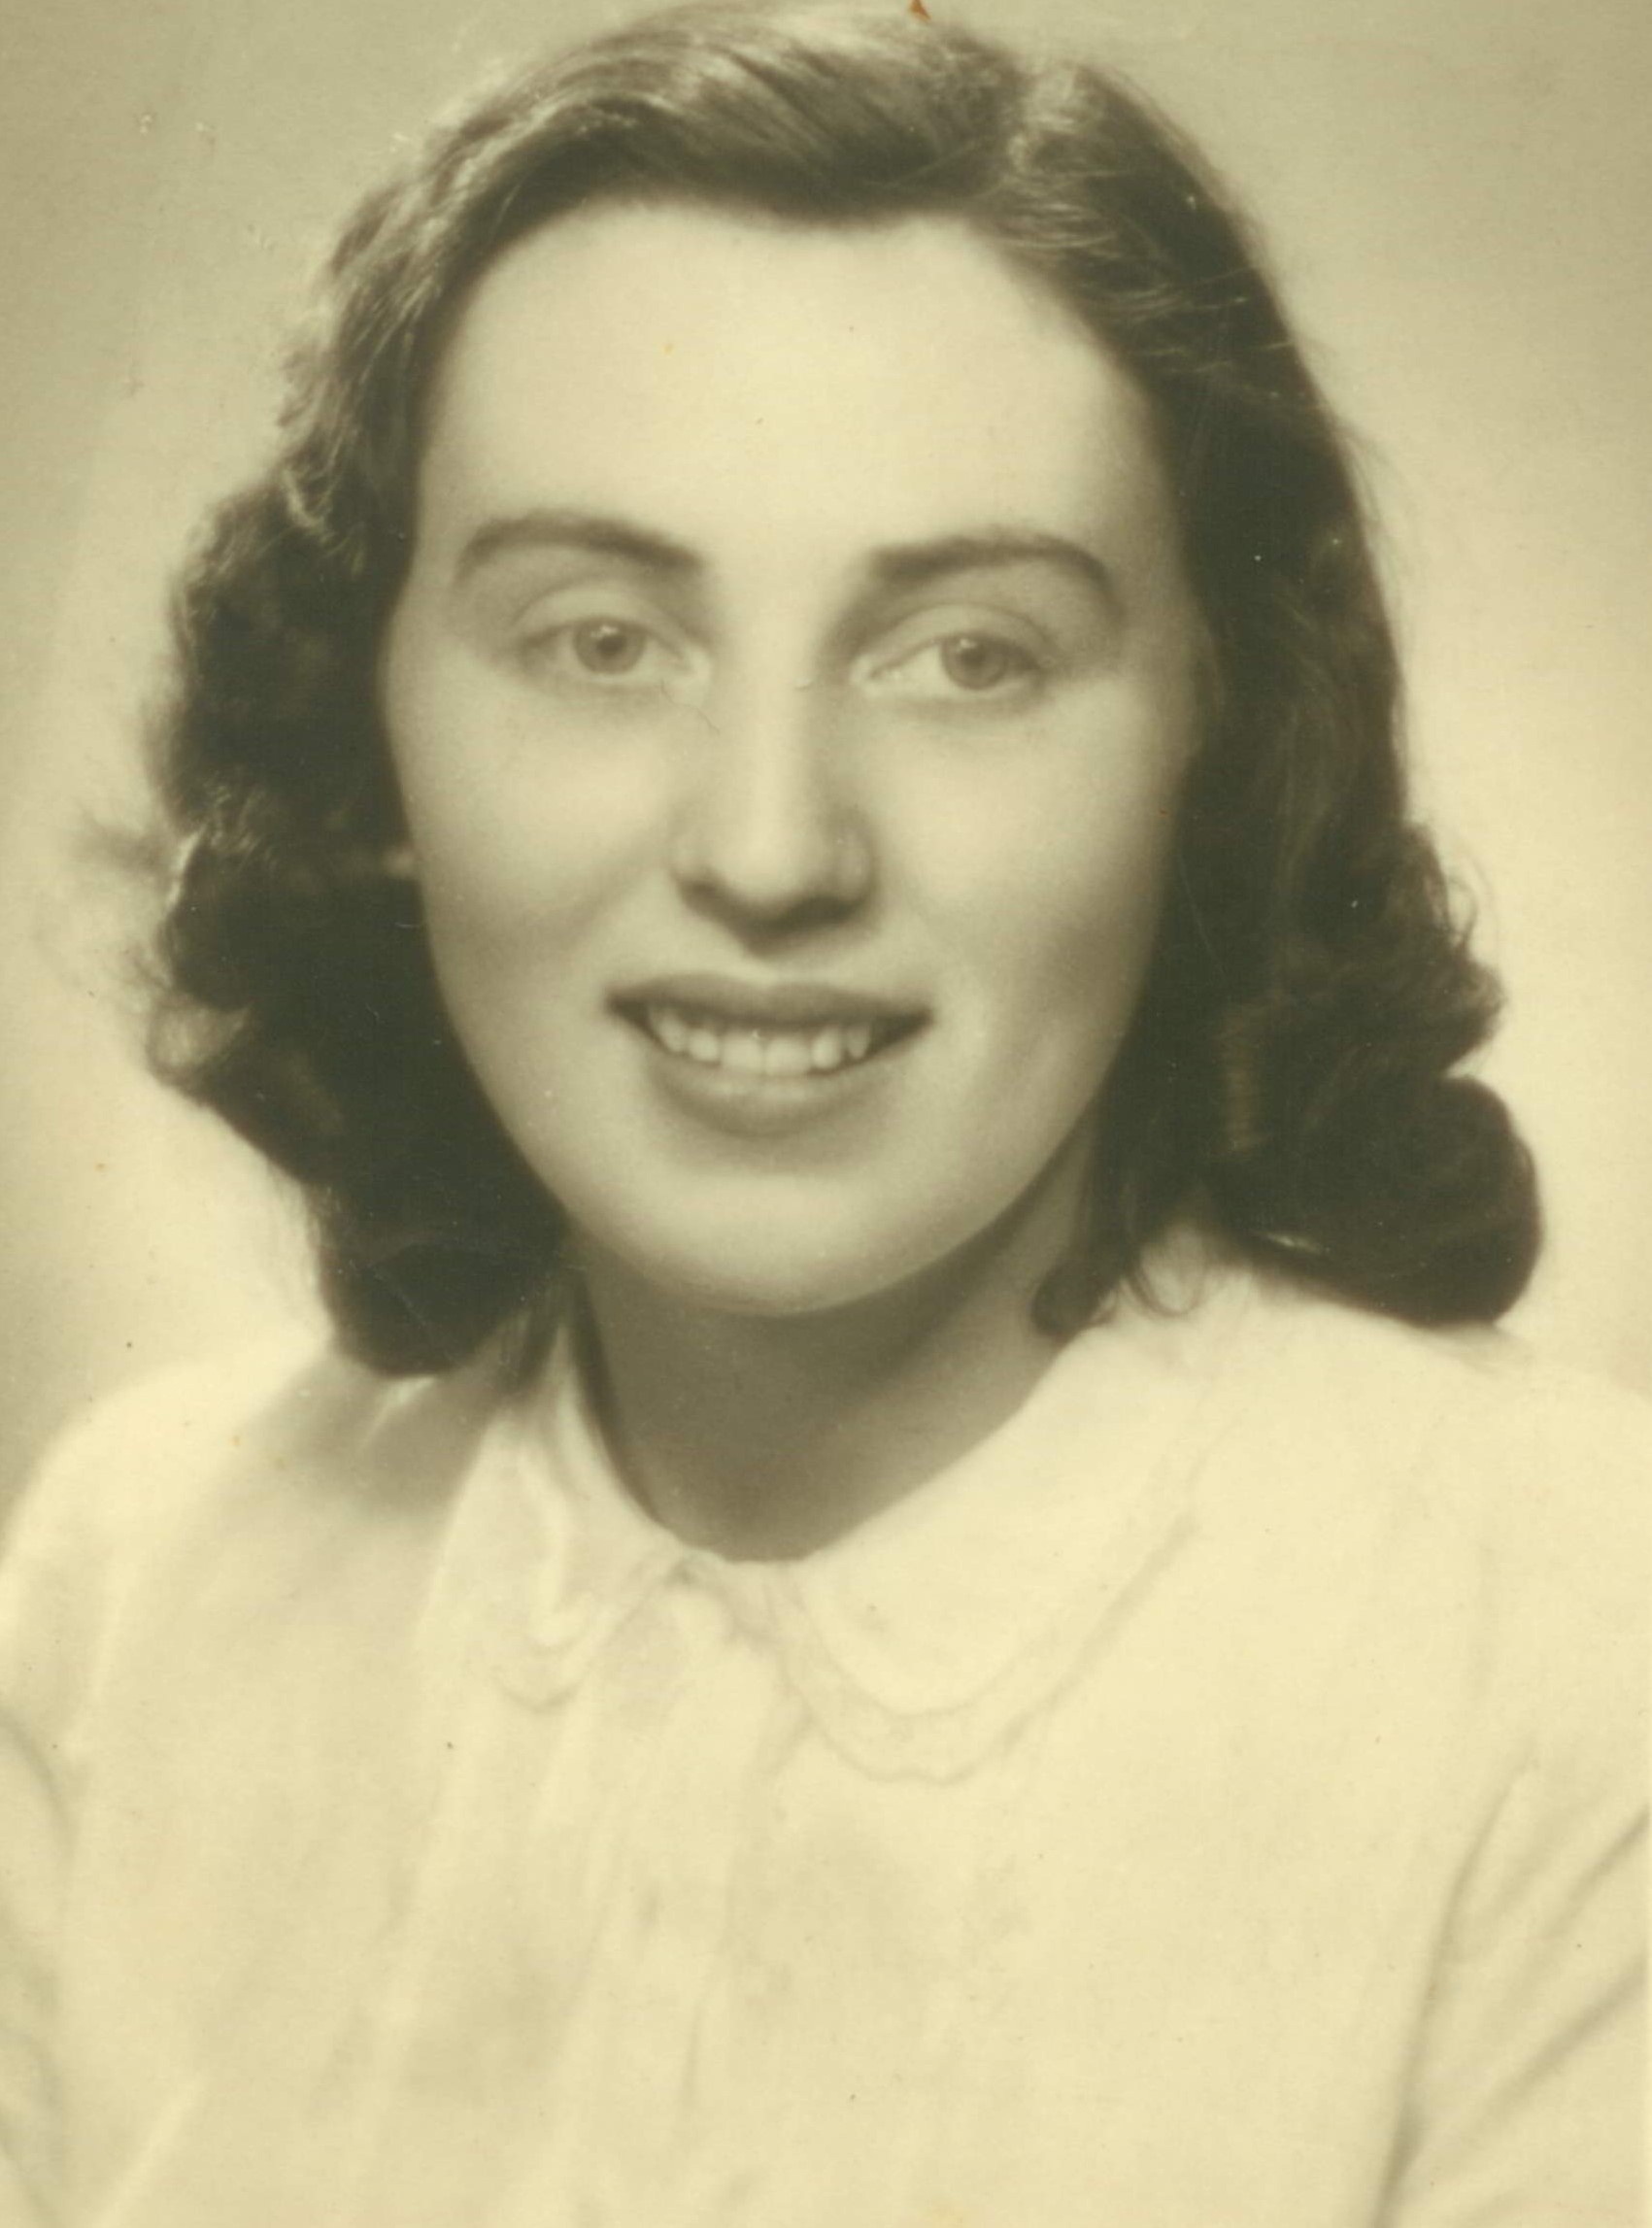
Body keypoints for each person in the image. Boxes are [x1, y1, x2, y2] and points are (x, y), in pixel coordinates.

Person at [0, 5, 1642, 2222]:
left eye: (968, 655)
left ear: (1217, 733)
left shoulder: (1577, 1648)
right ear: (364, 721)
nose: (771, 851)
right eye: (601, 642)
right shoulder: (133, 1583)